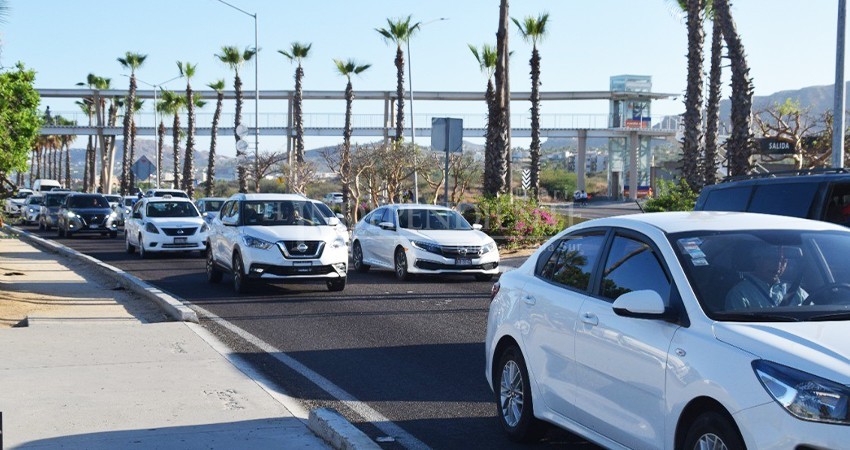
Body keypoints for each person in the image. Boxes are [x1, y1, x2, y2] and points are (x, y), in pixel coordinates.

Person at [725, 245, 807, 310]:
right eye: (772, 259)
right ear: (757, 260)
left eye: (783, 261)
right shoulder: (740, 294)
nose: (778, 265)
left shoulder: (796, 291)